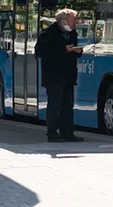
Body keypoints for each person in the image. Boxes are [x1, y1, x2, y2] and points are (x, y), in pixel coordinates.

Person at [36, 8, 84, 143]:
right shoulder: (49, 33)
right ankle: (52, 133)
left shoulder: (72, 33)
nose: (76, 22)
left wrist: (77, 51)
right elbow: (40, 51)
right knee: (55, 105)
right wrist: (63, 50)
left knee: (68, 105)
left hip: (68, 74)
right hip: (54, 75)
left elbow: (74, 52)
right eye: (74, 19)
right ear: (64, 21)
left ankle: (67, 132)